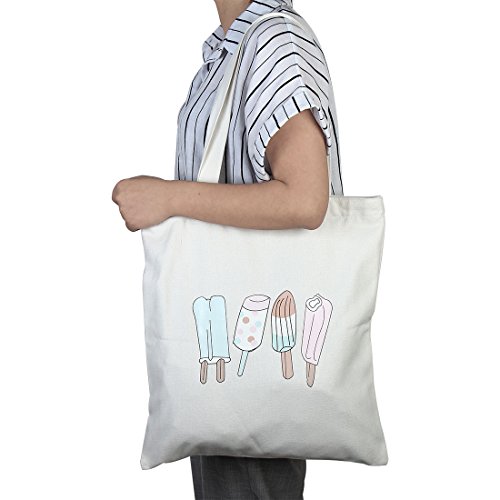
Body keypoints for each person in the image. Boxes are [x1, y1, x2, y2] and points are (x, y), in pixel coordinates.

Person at [112, 0, 343, 498]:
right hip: (229, 350)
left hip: (254, 368)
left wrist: (169, 198)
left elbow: (306, 200)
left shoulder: (273, 41)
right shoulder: (235, 45)